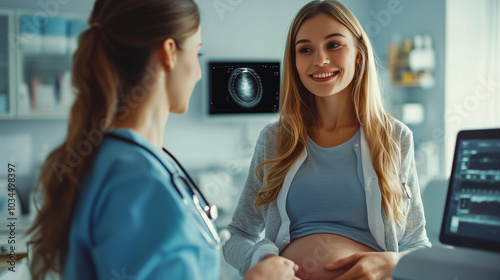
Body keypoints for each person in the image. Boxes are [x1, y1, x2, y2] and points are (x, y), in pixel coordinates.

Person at [26, 0, 300, 279]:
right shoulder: (138, 183)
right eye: (198, 53)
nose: (198, 72)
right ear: (169, 53)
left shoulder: (113, 159)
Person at [222, 1, 432, 279]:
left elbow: (417, 243)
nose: (319, 59)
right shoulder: (274, 139)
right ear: (294, 61)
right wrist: (261, 260)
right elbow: (237, 235)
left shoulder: (394, 137)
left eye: (334, 45)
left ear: (359, 53)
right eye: (305, 49)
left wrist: (394, 262)